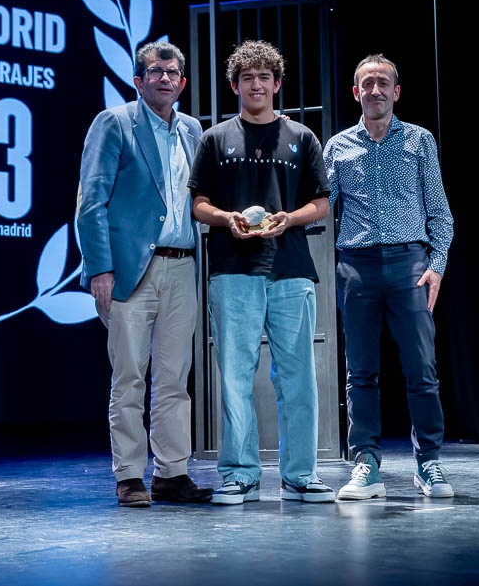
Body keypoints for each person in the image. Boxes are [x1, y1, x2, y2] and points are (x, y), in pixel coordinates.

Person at [188, 39, 335, 505]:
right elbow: (198, 203)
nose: (256, 84)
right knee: (234, 376)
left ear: (277, 84)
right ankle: (240, 476)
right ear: (235, 85)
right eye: (247, 77)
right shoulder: (214, 139)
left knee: (297, 377)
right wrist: (226, 218)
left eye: (264, 77)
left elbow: (323, 203)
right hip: (233, 269)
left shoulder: (302, 137)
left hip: (291, 267)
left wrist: (291, 218)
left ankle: (299, 476)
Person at [75, 40, 213, 507]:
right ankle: (130, 474)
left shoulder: (194, 130)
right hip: (130, 269)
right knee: (129, 377)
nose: (166, 79)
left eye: (173, 72)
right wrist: (100, 271)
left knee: (174, 379)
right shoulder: (114, 123)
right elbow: (90, 203)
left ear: (183, 82)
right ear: (138, 80)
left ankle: (172, 473)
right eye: (156, 71)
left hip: (182, 267)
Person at [323, 54, 455, 500]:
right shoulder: (337, 146)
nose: (375, 90)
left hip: (409, 264)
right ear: (355, 92)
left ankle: (429, 462)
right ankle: (366, 464)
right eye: (367, 83)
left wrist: (436, 265)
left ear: (396, 92)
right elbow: (319, 204)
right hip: (357, 266)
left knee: (421, 369)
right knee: (360, 371)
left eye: (383, 83)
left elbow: (441, 213)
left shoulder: (419, 140)